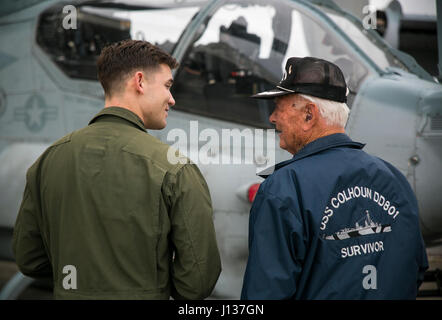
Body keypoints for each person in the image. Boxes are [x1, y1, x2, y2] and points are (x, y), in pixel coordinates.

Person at [13, 40, 221, 300]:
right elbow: (197, 282)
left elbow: (29, 259)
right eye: (167, 86)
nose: (172, 98)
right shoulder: (175, 168)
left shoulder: (47, 161)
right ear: (140, 82)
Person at [241, 57, 428, 299]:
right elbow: (416, 270)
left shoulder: (283, 189)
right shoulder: (394, 180)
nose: (272, 118)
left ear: (309, 115)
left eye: (279, 107)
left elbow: (265, 294)